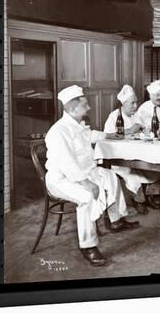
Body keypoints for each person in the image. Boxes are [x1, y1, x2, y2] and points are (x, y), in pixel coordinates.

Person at [45, 85, 140, 267]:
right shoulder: (58, 131)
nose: (89, 108)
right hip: (61, 180)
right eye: (85, 105)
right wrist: (86, 183)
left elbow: (92, 135)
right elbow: (67, 163)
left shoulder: (76, 125)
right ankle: (88, 245)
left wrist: (113, 136)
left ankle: (116, 220)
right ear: (73, 108)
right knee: (88, 197)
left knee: (111, 177)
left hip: (83, 172)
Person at [103, 85, 160, 214]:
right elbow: (107, 138)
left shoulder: (135, 116)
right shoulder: (114, 117)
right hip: (119, 159)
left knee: (157, 167)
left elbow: (144, 130)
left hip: (137, 155)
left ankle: (151, 195)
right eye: (132, 103)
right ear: (123, 103)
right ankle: (139, 199)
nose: (136, 106)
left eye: (136, 102)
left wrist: (145, 131)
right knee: (132, 175)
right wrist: (129, 131)